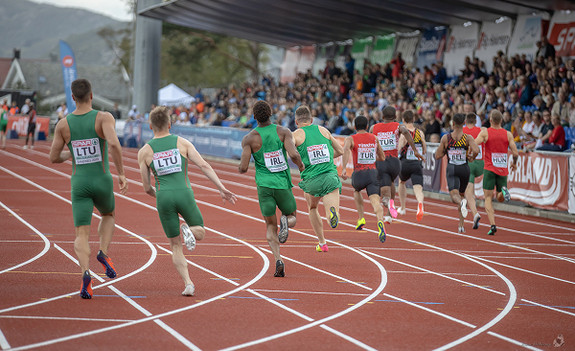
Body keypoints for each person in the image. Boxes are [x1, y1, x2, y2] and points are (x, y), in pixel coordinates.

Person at [138, 106, 236, 296]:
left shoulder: (144, 152)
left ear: (150, 126)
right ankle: (189, 230)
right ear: (170, 123)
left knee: (175, 245)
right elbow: (203, 165)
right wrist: (221, 188)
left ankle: (188, 284)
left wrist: (159, 195)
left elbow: (146, 187)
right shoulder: (182, 143)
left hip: (163, 196)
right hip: (184, 193)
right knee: (200, 232)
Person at [49, 78, 128, 299]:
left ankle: (86, 274)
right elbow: (113, 144)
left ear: (73, 98)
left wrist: (72, 154)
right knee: (108, 215)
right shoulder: (103, 118)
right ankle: (103, 252)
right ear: (91, 95)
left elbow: (53, 157)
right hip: (102, 180)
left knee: (81, 233)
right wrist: (121, 173)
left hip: (80, 183)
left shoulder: (64, 125)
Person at [239, 100, 305, 277]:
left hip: (264, 187)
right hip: (282, 185)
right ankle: (286, 222)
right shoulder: (283, 132)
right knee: (292, 217)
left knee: (270, 225)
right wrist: (301, 166)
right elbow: (293, 154)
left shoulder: (249, 139)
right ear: (271, 113)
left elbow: (243, 168)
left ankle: (278, 260)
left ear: (254, 117)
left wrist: (248, 157)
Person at [292, 105, 343, 252]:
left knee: (312, 208)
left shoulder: (296, 134)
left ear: (296, 122)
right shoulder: (323, 130)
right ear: (312, 119)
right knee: (331, 208)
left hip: (311, 180)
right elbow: (340, 150)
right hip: (329, 176)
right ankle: (332, 214)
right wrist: (325, 157)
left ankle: (322, 243)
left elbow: (290, 153)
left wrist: (303, 161)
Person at [370, 105, 424, 224]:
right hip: (395, 162)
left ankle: (387, 203)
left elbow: (368, 139)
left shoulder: (374, 128)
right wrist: (414, 150)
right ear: (395, 117)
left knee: (383, 191)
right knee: (391, 183)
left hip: (382, 161)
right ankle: (389, 213)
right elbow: (406, 132)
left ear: (382, 116)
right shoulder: (398, 126)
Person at [341, 115, 387, 242]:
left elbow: (345, 150)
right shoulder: (374, 138)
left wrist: (344, 168)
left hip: (359, 173)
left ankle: (361, 217)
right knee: (375, 202)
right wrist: (372, 158)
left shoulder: (351, 138)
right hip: (372, 173)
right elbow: (382, 157)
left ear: (355, 127)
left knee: (356, 190)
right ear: (367, 126)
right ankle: (380, 222)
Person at [475, 110, 519, 236]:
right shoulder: (508, 134)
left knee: (488, 198)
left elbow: (473, 143)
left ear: (490, 120)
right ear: (501, 121)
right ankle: (503, 190)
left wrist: (470, 152)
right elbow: (515, 153)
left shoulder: (485, 133)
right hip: (502, 170)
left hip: (489, 169)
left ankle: (493, 225)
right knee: (499, 197)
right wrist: (514, 163)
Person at [435, 113, 479, 233]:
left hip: (452, 168)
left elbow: (437, 155)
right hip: (464, 169)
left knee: (455, 196)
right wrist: (471, 157)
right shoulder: (467, 137)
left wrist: (445, 150)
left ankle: (461, 203)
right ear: (464, 123)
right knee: (462, 194)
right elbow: (476, 150)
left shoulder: (446, 138)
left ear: (453, 123)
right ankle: (461, 225)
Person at [396, 110, 427, 221]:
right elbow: (424, 148)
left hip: (405, 163)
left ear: (403, 120)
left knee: (401, 182)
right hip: (416, 164)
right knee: (418, 188)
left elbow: (399, 148)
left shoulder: (404, 133)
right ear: (413, 120)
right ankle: (420, 203)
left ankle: (403, 207)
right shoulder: (420, 133)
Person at [463, 113, 484, 229]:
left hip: (469, 163)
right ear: (476, 122)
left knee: (468, 193)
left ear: (466, 121)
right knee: (473, 192)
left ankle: (475, 213)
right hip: (481, 164)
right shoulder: (481, 131)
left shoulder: (463, 131)